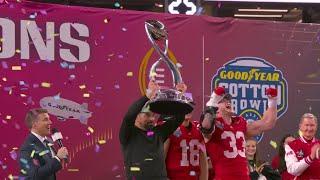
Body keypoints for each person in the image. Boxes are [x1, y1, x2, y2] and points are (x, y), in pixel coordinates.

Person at [200, 86, 278, 180]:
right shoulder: (214, 124)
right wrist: (212, 104)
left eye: (229, 100)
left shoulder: (240, 123)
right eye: (222, 101)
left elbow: (268, 123)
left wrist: (272, 101)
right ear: (216, 108)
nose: (227, 102)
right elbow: (205, 127)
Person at [119, 80, 188, 180]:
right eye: (147, 115)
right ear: (137, 116)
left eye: (153, 115)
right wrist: (147, 96)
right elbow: (129, 116)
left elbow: (179, 118)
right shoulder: (128, 134)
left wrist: (180, 95)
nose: (152, 119)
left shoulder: (159, 133)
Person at [19, 108, 69, 180]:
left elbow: (50, 166)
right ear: (34, 124)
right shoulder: (27, 148)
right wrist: (58, 158)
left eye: (49, 119)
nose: (50, 122)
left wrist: (61, 157)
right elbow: (34, 176)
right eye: (45, 119)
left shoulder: (48, 141)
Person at [164, 111, 208, 180]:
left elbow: (203, 161)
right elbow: (161, 159)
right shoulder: (169, 128)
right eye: (184, 106)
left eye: (189, 107)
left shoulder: (198, 129)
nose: (187, 110)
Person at [285, 113, 320, 179]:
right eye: (306, 125)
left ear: (316, 127)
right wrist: (310, 158)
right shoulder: (291, 146)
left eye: (312, 125)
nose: (309, 129)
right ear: (300, 126)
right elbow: (292, 169)